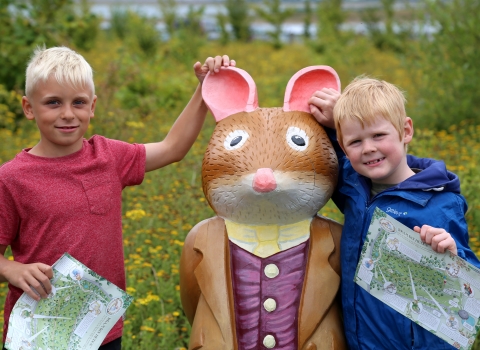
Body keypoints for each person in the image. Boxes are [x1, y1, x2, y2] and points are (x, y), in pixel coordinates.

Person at [0, 46, 235, 349]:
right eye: (53, 103)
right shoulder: (12, 178)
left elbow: (173, 148)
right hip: (37, 333)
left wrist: (205, 87)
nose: (68, 114)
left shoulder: (109, 156)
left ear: (93, 105)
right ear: (28, 107)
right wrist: (12, 269)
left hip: (100, 328)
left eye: (79, 102)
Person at [308, 76, 480, 350]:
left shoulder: (440, 202)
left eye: (378, 135)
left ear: (406, 130)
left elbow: (470, 289)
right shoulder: (354, 186)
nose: (368, 148)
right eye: (355, 141)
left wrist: (453, 253)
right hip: (358, 340)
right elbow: (319, 153)